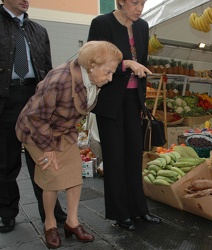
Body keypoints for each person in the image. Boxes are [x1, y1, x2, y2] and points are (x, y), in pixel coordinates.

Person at [15, 40, 123, 248]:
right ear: (91, 65)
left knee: (74, 174)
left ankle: (72, 223)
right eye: (108, 72)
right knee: (52, 175)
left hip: (62, 129)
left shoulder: (90, 78)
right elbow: (36, 117)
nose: (110, 79)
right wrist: (48, 148)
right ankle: (50, 224)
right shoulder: (60, 80)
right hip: (36, 130)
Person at [87, 0, 161, 231]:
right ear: (120, 1)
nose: (139, 8)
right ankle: (120, 213)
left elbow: (144, 64)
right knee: (115, 158)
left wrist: (142, 99)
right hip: (110, 100)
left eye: (143, 2)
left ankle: (140, 209)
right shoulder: (101, 23)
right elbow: (92, 62)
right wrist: (124, 64)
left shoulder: (143, 26)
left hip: (133, 100)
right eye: (134, 2)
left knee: (134, 156)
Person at [0, 0, 66, 234]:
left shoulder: (40, 31)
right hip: (5, 100)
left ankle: (51, 212)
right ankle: (7, 213)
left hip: (35, 99)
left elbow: (47, 69)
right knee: (6, 161)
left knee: (43, 158)